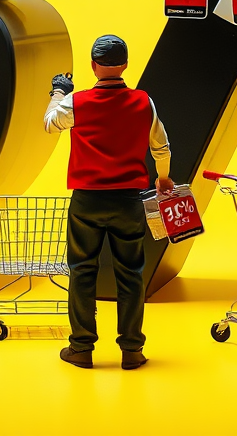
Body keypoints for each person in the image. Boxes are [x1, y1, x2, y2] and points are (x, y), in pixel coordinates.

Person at [44, 34, 174, 370]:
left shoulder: (78, 103)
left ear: (93, 66)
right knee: (131, 274)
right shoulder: (144, 102)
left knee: (81, 271)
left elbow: (49, 123)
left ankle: (81, 348)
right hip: (128, 200)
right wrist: (162, 178)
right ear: (126, 64)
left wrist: (59, 91)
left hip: (87, 200)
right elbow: (162, 147)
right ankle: (132, 349)